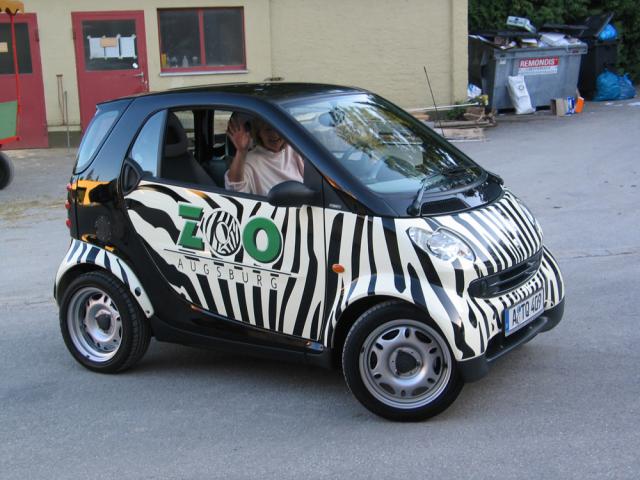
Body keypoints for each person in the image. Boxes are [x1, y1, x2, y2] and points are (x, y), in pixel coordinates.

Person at [224, 116, 304, 196]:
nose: (274, 134)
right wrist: (241, 152)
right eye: (268, 130)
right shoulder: (250, 161)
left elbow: (313, 181)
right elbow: (234, 190)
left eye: (278, 129)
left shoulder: (295, 150)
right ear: (259, 133)